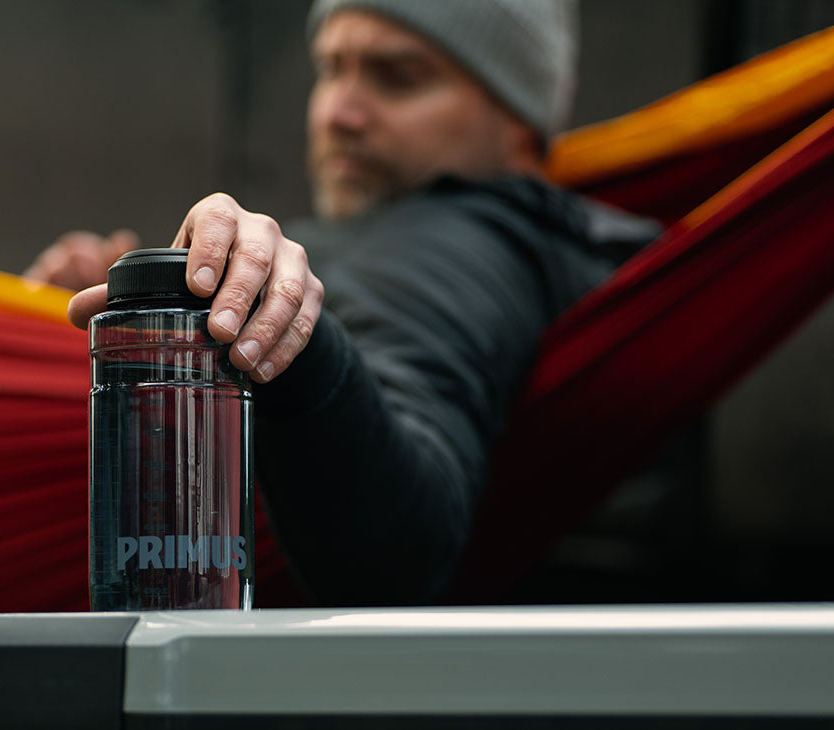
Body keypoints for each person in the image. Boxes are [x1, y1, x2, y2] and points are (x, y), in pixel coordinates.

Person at [41, 0, 661, 605]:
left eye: (398, 77)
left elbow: (400, 559)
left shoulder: (452, 246)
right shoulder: (533, 243)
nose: (338, 112)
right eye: (331, 68)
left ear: (520, 120)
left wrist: (288, 337)